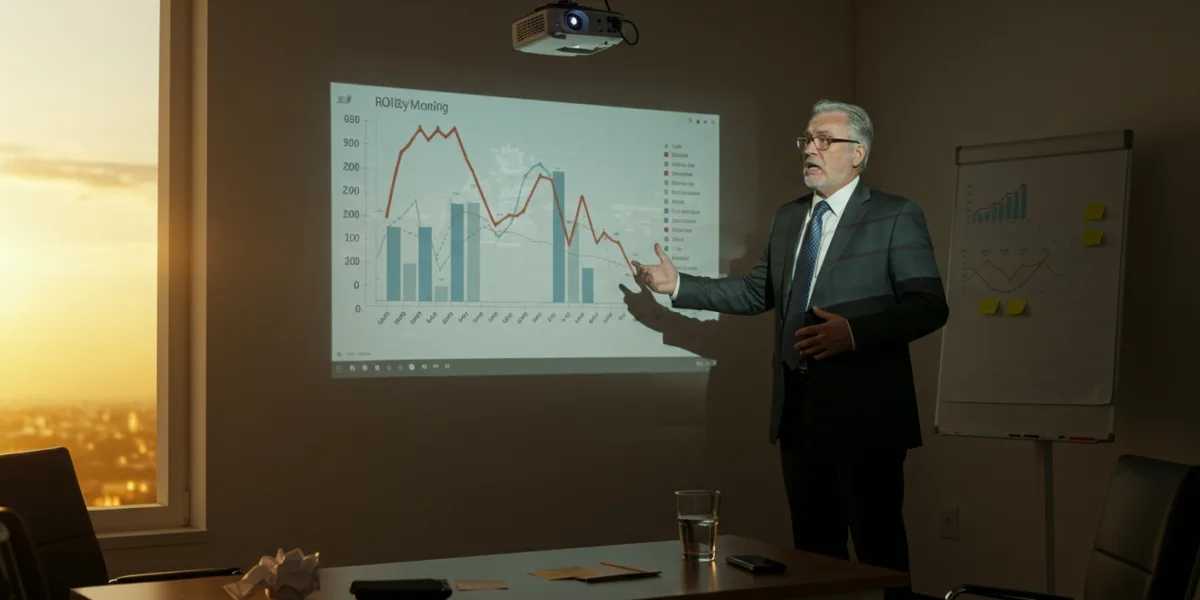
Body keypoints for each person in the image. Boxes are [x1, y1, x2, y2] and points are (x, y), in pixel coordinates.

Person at [634, 100, 948, 598]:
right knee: (814, 553)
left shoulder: (894, 215)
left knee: (879, 547)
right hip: (799, 412)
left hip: (867, 415)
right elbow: (755, 293)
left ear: (858, 154)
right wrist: (679, 286)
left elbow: (929, 306)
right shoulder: (789, 217)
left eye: (825, 140)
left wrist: (854, 333)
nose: (810, 150)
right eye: (807, 140)